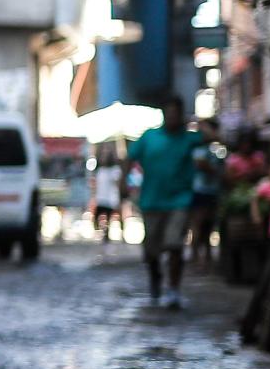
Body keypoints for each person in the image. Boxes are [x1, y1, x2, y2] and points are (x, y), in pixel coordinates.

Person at [128, 94, 208, 309]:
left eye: (176, 112)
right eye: (169, 112)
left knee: (174, 245)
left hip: (179, 200)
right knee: (151, 250)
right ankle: (155, 275)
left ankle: (173, 289)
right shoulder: (149, 137)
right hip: (151, 201)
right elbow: (129, 157)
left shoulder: (189, 138)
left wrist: (198, 122)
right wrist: (121, 185)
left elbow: (214, 136)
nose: (172, 116)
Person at [187, 121, 223, 272]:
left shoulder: (217, 148)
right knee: (198, 225)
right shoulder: (196, 149)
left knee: (208, 227)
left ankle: (206, 258)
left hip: (212, 192)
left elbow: (218, 169)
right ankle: (196, 257)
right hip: (199, 192)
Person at [92, 144, 124, 242]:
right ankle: (103, 233)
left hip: (111, 198)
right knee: (97, 217)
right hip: (101, 198)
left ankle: (110, 234)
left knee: (110, 217)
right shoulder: (100, 170)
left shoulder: (115, 170)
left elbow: (118, 183)